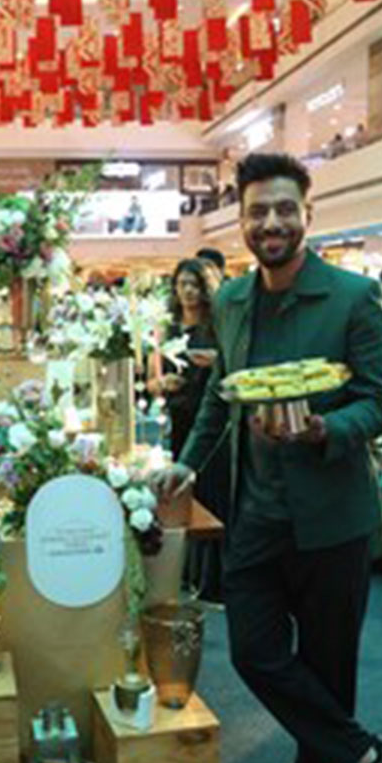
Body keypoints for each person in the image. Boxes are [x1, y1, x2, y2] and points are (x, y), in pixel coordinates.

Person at [155, 151, 382, 763]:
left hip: (335, 516)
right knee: (255, 650)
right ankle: (370, 756)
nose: (270, 222)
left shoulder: (353, 297)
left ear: (307, 214)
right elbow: (221, 394)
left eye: (282, 209)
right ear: (241, 221)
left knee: (330, 662)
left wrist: (326, 429)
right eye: (257, 211)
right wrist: (187, 463)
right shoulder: (233, 301)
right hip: (257, 513)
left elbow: (378, 402)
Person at [149, 257, 227, 602]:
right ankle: (185, 574)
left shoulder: (218, 326)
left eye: (194, 285)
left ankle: (212, 581)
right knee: (181, 495)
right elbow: (150, 380)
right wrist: (161, 382)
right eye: (182, 285)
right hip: (178, 417)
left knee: (211, 495)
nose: (188, 292)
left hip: (209, 419)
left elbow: (230, 374)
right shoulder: (169, 328)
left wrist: (214, 363)